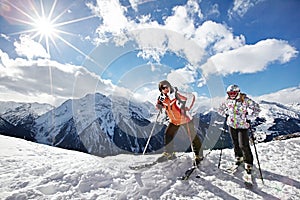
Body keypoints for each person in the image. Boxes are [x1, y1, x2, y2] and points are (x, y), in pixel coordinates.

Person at [156, 80, 203, 166]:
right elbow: (159, 103)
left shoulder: (177, 93)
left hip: (185, 119)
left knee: (192, 136)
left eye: (167, 86)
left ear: (170, 86)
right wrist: (159, 105)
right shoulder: (162, 97)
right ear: (161, 90)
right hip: (174, 120)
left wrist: (186, 107)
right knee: (168, 134)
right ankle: (169, 153)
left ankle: (198, 155)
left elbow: (191, 96)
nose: (165, 89)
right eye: (163, 88)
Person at [218, 84, 260, 174]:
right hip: (231, 125)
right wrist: (226, 113)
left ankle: (248, 162)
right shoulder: (227, 101)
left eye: (234, 93)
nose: (232, 95)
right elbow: (220, 109)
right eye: (230, 93)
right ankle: (239, 157)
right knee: (235, 142)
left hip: (243, 125)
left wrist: (250, 116)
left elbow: (257, 108)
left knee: (243, 144)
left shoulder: (245, 100)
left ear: (238, 92)